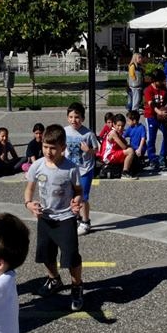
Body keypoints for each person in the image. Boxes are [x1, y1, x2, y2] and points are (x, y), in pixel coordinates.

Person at [25, 123, 84, 310]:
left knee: (71, 256)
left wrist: (76, 201)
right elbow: (29, 189)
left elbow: (78, 191)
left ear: (63, 148)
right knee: (46, 253)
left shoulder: (71, 168)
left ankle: (76, 287)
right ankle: (54, 279)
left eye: (53, 148)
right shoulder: (37, 166)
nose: (48, 152)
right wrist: (29, 204)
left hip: (65, 217)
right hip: (45, 217)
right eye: (45, 147)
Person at [64, 101, 98, 237]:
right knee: (70, 195)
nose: (74, 120)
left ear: (83, 118)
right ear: (67, 118)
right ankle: (75, 217)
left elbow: (97, 150)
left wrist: (88, 150)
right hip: (69, 170)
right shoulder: (65, 131)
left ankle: (85, 221)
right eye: (71, 117)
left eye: (77, 117)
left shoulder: (88, 134)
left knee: (83, 197)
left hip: (85, 170)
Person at [143, 68, 167, 172]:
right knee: (151, 139)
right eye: (161, 80)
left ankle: (163, 156)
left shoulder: (163, 89)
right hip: (151, 117)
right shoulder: (148, 90)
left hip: (161, 117)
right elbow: (151, 103)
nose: (162, 82)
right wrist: (158, 111)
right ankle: (152, 159)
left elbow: (165, 102)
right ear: (154, 80)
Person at [96, 114, 129, 178]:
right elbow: (124, 147)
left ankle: (126, 169)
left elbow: (125, 143)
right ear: (114, 125)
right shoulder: (113, 133)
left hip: (112, 153)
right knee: (130, 151)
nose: (120, 128)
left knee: (130, 149)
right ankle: (125, 172)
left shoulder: (118, 132)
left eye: (122, 126)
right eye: (118, 125)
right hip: (108, 156)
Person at [123, 110, 147, 178]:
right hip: (133, 148)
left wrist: (139, 148)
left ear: (134, 121)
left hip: (140, 148)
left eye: (128, 121)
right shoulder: (130, 128)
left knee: (135, 160)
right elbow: (123, 135)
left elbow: (143, 138)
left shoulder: (142, 127)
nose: (127, 123)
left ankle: (136, 166)